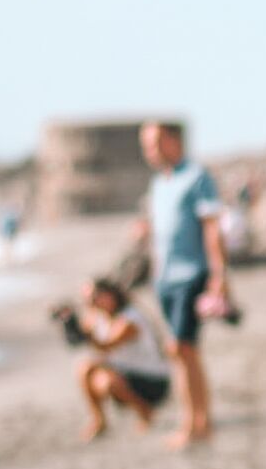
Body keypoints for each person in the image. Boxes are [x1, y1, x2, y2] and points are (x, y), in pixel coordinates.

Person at [139, 121, 228, 448]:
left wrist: (219, 275)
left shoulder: (197, 176)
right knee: (184, 353)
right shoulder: (158, 183)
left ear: (174, 141)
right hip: (163, 279)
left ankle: (193, 425)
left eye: (155, 143)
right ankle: (201, 422)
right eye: (146, 145)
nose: (150, 151)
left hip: (191, 275)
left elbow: (212, 228)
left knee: (180, 348)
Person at [70, 278, 171, 441]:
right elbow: (79, 341)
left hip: (151, 380)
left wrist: (85, 334)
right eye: (87, 300)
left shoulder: (130, 319)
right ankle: (99, 420)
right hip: (126, 373)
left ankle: (145, 411)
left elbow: (105, 346)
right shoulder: (100, 316)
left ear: (109, 295)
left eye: (94, 298)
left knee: (107, 381)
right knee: (85, 368)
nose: (91, 303)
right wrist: (70, 325)